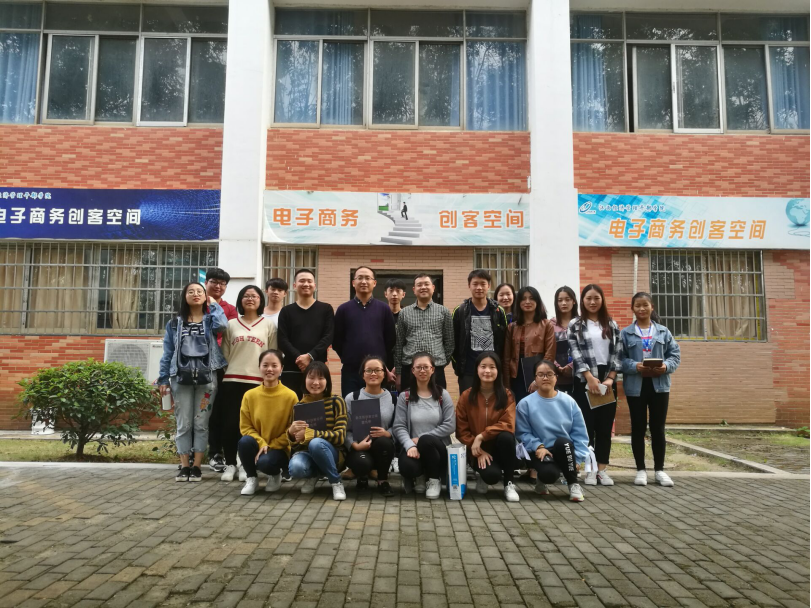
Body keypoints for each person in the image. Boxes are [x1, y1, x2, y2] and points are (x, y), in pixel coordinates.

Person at [158, 282, 227, 482]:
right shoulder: (174, 323)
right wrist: (163, 378)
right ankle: (184, 466)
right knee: (183, 423)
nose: (195, 294)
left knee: (201, 423)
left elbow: (223, 325)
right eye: (191, 291)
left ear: (205, 296)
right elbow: (168, 352)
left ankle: (197, 466)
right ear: (184, 296)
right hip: (180, 378)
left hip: (207, 378)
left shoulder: (211, 320)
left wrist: (214, 304)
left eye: (199, 291)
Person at [620, 292, 681, 488]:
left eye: (645, 305)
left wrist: (666, 366)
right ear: (632, 308)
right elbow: (620, 359)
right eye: (637, 305)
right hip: (636, 386)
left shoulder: (663, 332)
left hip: (659, 385)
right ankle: (640, 470)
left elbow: (675, 355)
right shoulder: (626, 333)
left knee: (658, 428)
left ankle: (659, 470)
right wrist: (634, 366)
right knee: (638, 428)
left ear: (651, 307)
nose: (641, 309)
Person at [219, 285, 277, 482]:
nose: (250, 299)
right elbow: (225, 353)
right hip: (233, 380)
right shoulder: (231, 324)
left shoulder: (268, 325)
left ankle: (246, 464)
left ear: (260, 300)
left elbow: (272, 354)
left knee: (252, 426)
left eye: (254, 296)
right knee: (230, 424)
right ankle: (230, 464)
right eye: (246, 296)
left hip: (257, 382)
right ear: (240, 300)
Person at [568, 284, 621, 487]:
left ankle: (602, 470)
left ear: (602, 300)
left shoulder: (611, 324)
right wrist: (589, 376)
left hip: (607, 380)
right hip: (584, 381)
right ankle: (589, 470)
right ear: (582, 301)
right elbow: (575, 352)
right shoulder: (575, 324)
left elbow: (618, 353)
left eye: (596, 298)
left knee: (604, 427)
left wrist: (610, 378)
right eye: (588, 298)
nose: (592, 302)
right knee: (587, 427)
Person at [516, 359, 589, 502]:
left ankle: (573, 484)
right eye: (540, 374)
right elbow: (522, 433)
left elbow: (580, 433)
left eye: (549, 374)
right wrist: (538, 446)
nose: (545, 378)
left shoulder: (569, 402)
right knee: (549, 475)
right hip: (540, 451)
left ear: (556, 377)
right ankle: (541, 479)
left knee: (563, 442)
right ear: (535, 378)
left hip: (565, 449)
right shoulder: (525, 404)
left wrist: (578, 457)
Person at [455, 351, 519, 502]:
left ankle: (509, 484)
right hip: (477, 450)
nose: (487, 371)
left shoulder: (507, 395)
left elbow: (508, 424)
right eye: (483, 366)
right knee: (492, 476)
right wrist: (476, 446)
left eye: (492, 367)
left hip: (500, 447)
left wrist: (482, 436)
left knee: (507, 437)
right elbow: (461, 430)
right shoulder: (466, 396)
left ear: (498, 370)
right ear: (477, 369)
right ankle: (482, 475)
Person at [392, 352, 455, 499]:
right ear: (412, 370)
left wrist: (421, 438)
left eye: (426, 367)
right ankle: (420, 476)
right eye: (418, 367)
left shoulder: (442, 395)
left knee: (426, 440)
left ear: (432, 369)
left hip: (438, 448)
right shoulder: (405, 397)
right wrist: (410, 445)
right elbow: (399, 426)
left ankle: (434, 480)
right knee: (407, 467)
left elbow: (450, 425)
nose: (422, 370)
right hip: (414, 448)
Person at [237, 350, 299, 495]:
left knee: (265, 462)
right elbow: (245, 427)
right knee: (244, 442)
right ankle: (252, 478)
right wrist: (262, 443)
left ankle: (275, 474)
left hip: (280, 448)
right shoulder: (250, 395)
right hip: (258, 445)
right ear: (259, 367)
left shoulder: (290, 396)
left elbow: (293, 429)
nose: (269, 369)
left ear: (281, 368)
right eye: (265, 365)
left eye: (274, 365)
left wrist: (270, 446)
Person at [287, 361, 348, 501]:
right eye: (311, 377)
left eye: (321, 378)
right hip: (307, 453)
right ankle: (314, 476)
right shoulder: (299, 406)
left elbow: (340, 437)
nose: (316, 382)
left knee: (315, 443)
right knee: (296, 467)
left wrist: (310, 434)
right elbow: (296, 446)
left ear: (327, 381)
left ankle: (336, 481)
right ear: (305, 380)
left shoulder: (336, 401)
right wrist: (291, 434)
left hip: (333, 454)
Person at [333, 266, 396, 397]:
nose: (363, 281)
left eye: (368, 278)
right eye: (360, 278)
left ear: (374, 283)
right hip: (351, 371)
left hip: (377, 371)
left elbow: (390, 340)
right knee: (351, 404)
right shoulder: (343, 309)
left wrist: (383, 365)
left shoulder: (384, 309)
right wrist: (349, 357)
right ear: (353, 283)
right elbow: (337, 340)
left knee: (378, 407)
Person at [277, 269, 334, 399]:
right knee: (291, 404)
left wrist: (310, 356)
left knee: (317, 405)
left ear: (315, 285)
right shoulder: (286, 311)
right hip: (292, 367)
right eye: (302, 281)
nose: (306, 284)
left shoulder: (326, 309)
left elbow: (328, 336)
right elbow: (282, 339)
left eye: (309, 281)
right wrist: (299, 358)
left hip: (318, 367)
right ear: (294, 285)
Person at [344, 355, 396, 497]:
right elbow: (345, 429)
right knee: (362, 464)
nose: (373, 374)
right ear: (362, 374)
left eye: (378, 370)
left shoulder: (393, 398)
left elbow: (398, 425)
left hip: (382, 446)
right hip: (359, 446)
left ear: (384, 374)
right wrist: (354, 445)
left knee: (384, 443)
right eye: (369, 370)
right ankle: (362, 476)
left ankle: (382, 480)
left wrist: (388, 433)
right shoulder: (352, 398)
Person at [451, 270, 509, 394]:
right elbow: (452, 341)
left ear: (489, 286)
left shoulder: (498, 311)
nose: (479, 287)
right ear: (469, 285)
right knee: (468, 403)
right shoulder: (460, 311)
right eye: (475, 284)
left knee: (493, 403)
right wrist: (458, 366)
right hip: (468, 371)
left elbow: (505, 342)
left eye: (483, 284)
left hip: (492, 370)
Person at [204, 268, 238, 474]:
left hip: (221, 367)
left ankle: (217, 453)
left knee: (218, 412)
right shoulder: (194, 304)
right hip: (197, 367)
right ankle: (191, 455)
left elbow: (225, 333)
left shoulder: (230, 309)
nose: (218, 286)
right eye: (214, 282)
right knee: (199, 413)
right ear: (206, 282)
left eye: (222, 283)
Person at [394, 274, 454, 391]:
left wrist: (440, 362)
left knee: (437, 400)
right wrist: (399, 373)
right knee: (409, 400)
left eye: (426, 284)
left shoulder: (444, 312)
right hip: (409, 368)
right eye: (419, 285)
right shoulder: (404, 313)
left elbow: (450, 342)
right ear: (414, 289)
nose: (423, 287)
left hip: (436, 369)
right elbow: (399, 344)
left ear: (433, 288)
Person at [502, 286, 555, 403]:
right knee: (519, 409)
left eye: (531, 298)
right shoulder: (511, 327)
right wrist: (506, 385)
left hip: (538, 374)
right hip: (516, 376)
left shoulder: (546, 325)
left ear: (537, 301)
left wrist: (539, 378)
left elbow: (550, 355)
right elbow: (506, 359)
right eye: (523, 298)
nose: (527, 302)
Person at [551, 286, 578, 395]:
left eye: (567, 299)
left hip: (579, 376)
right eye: (560, 300)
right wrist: (557, 366)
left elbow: (585, 349)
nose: (564, 303)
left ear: (574, 301)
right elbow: (547, 349)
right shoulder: (550, 324)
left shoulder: (581, 324)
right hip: (556, 377)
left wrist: (571, 366)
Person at [384, 278, 408, 387]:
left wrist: (398, 367)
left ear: (403, 294)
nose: (394, 294)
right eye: (391, 291)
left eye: (398, 291)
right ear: (385, 294)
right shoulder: (380, 315)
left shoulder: (408, 316)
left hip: (404, 364)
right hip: (383, 364)